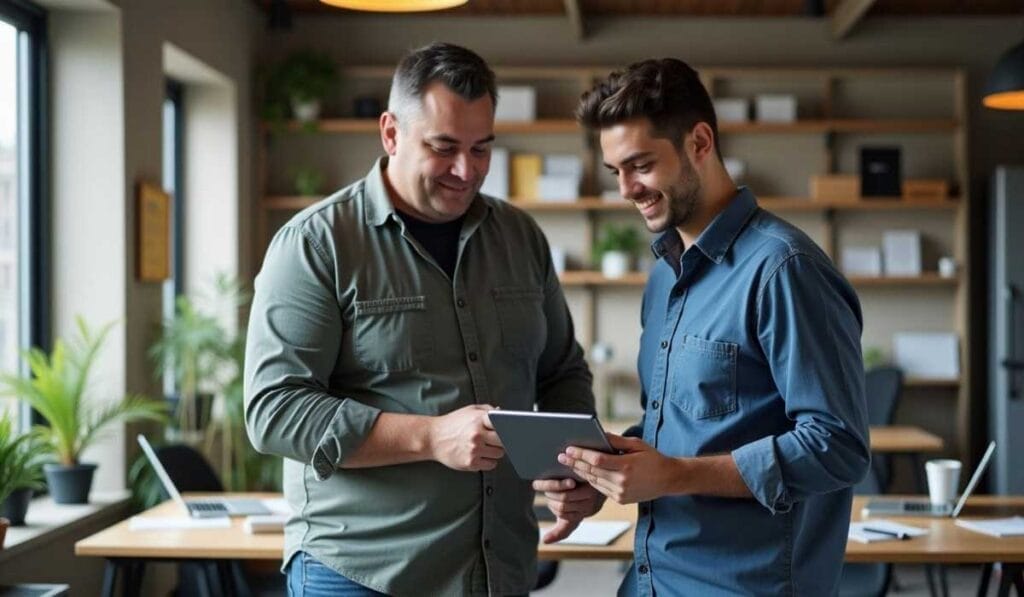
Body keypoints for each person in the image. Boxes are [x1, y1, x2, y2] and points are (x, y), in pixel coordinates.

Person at [244, 42, 599, 597]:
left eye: (482, 149)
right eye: (444, 147)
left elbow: (561, 371)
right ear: (390, 133)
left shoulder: (521, 237)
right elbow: (275, 410)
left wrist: (575, 463)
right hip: (360, 574)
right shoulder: (317, 243)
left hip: (497, 570)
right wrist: (430, 437)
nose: (467, 170)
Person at [560, 58, 871, 596]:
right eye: (616, 172)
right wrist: (606, 472)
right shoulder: (664, 276)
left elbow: (838, 447)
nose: (626, 189)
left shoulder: (785, 269)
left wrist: (675, 474)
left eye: (640, 165)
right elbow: (680, 431)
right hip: (652, 581)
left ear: (700, 143)